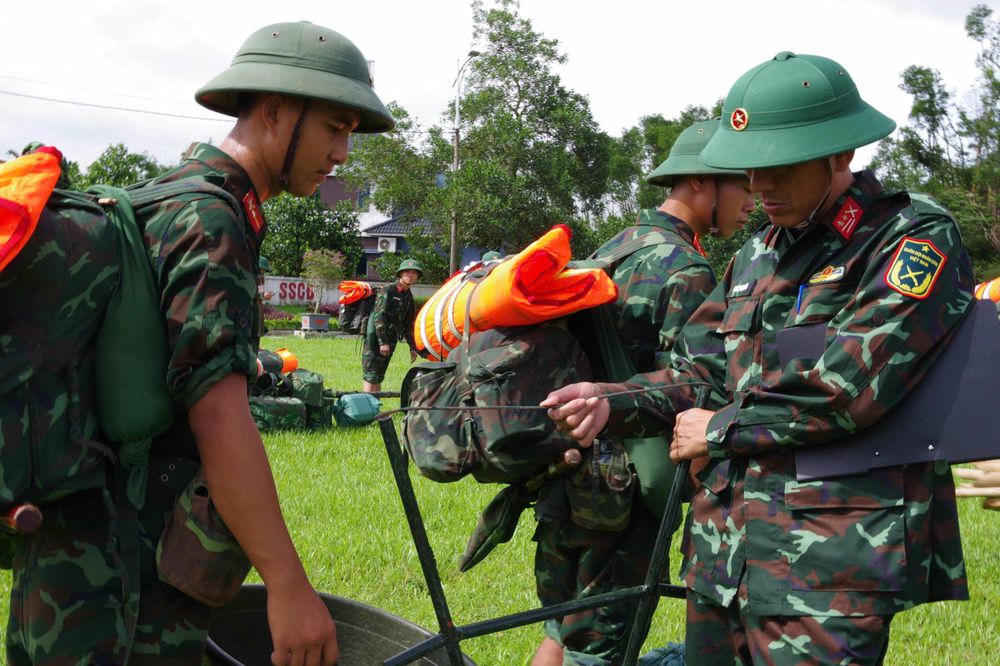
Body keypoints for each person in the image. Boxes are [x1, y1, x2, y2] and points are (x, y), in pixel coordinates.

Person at [544, 51, 973, 665]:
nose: (759, 186)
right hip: (724, 556)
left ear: (841, 154)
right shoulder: (759, 253)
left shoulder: (908, 238)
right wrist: (611, 401)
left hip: (827, 565)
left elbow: (852, 386)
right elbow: (702, 371)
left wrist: (719, 428)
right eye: (748, 169)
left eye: (779, 166)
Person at [3, 21, 394, 666]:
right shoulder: (212, 221)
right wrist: (290, 590)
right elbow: (219, 415)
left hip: (72, 545)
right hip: (125, 567)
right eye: (335, 127)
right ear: (274, 111)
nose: (343, 154)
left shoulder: (164, 198)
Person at [531, 120, 754, 666]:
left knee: (562, 631)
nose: (754, 200)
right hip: (627, 488)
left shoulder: (613, 248)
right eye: (743, 184)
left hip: (565, 468)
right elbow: (694, 384)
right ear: (700, 184)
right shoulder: (687, 268)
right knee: (602, 648)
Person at [362, 258, 422, 392]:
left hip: (391, 341)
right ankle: (367, 410)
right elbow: (379, 316)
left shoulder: (408, 295)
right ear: (400, 274)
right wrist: (382, 341)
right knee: (370, 375)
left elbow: (408, 324)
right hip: (376, 340)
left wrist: (413, 348)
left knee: (379, 376)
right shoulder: (388, 290)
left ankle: (375, 409)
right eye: (407, 272)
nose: (411, 275)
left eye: (414, 273)